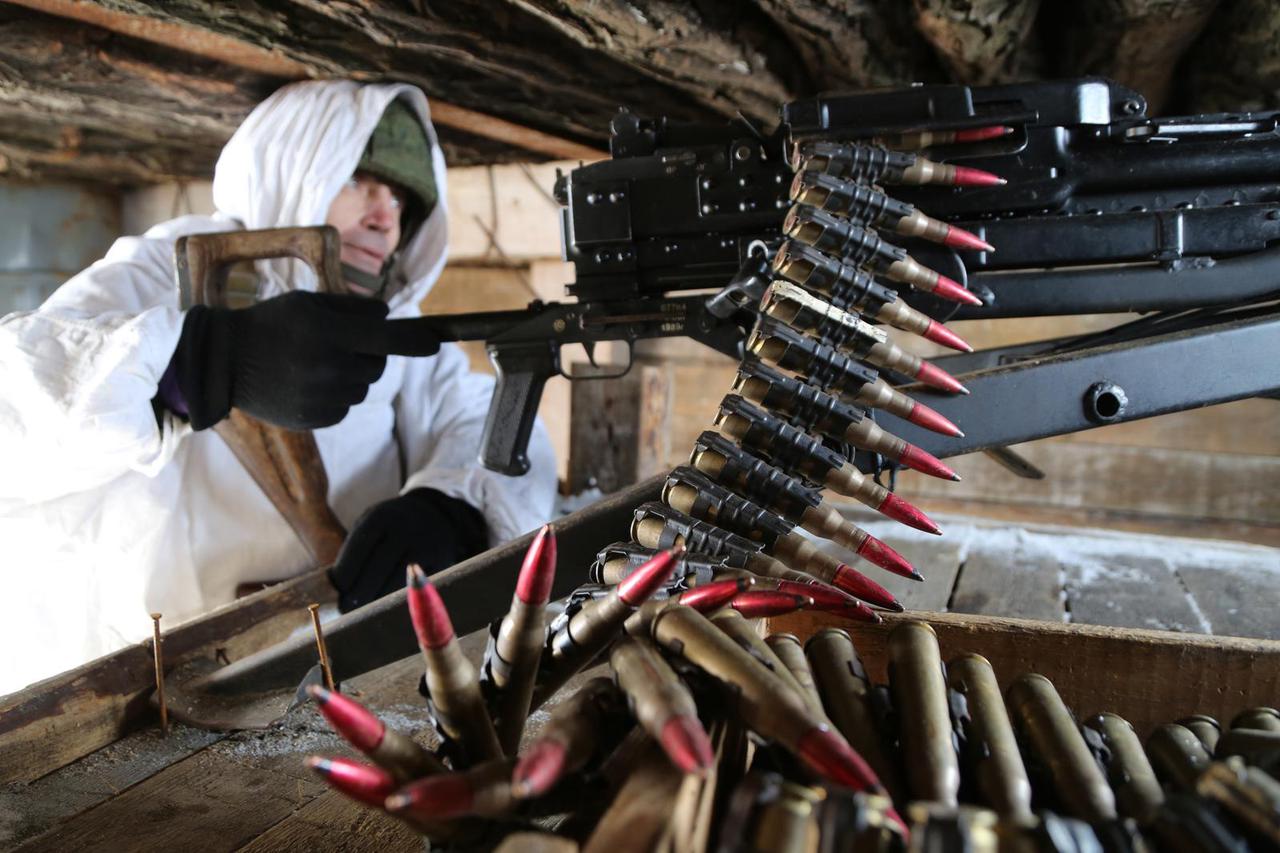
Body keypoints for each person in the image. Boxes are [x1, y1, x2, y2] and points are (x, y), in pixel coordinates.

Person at [0, 81, 558, 694]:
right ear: (294, 168)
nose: (384, 218)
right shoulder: (176, 267)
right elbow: (20, 402)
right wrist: (199, 364)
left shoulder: (388, 314)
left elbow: (480, 415)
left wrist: (449, 505)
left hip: (344, 668)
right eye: (362, 182)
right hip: (159, 684)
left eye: (403, 201)